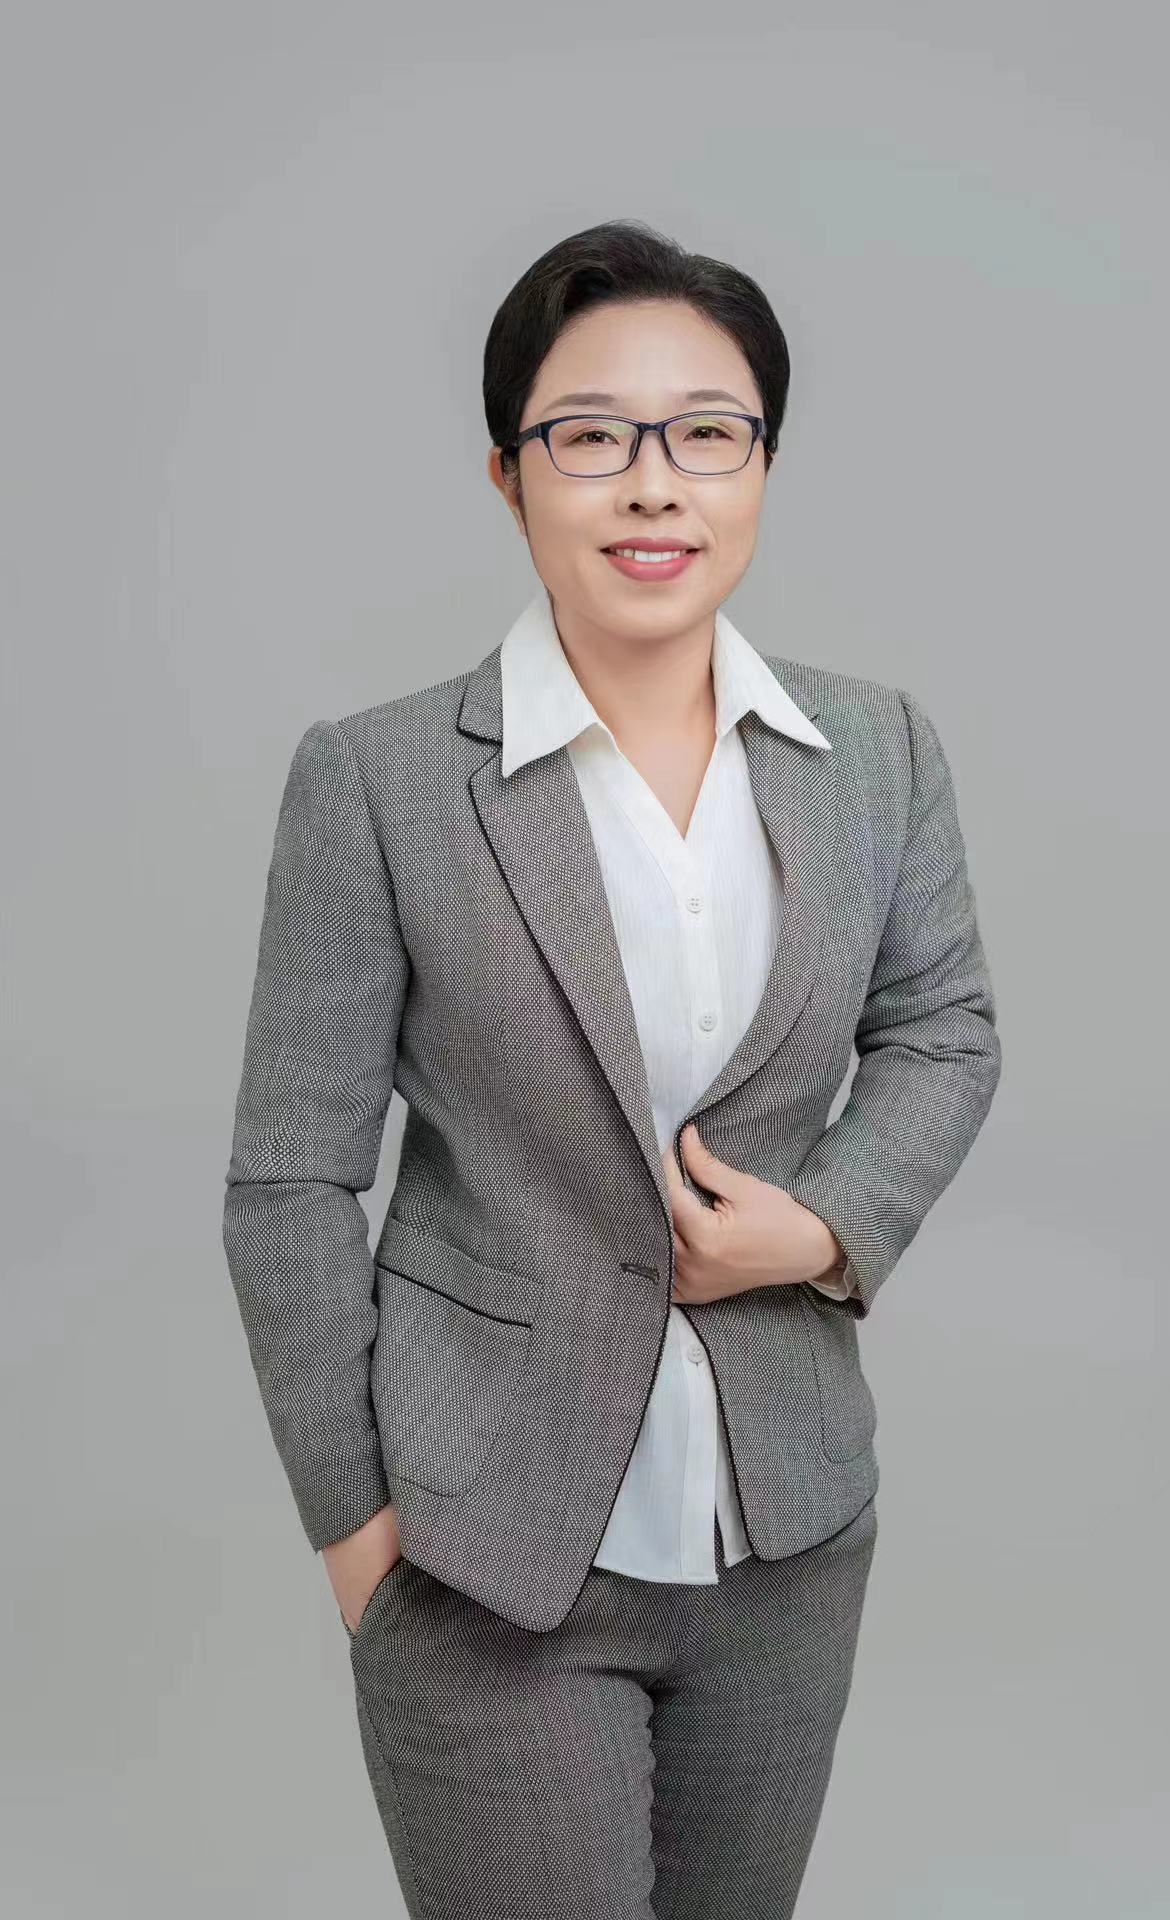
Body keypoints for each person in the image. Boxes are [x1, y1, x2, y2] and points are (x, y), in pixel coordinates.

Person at [221, 218, 1002, 1918]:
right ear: (511, 475)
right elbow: (289, 1178)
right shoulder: (378, 782)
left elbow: (944, 1026)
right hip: (484, 1552)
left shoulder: (878, 751)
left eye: (707, 432)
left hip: (788, 1533)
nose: (656, 483)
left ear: (762, 465)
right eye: (592, 435)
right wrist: (358, 1536)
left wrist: (827, 1226)